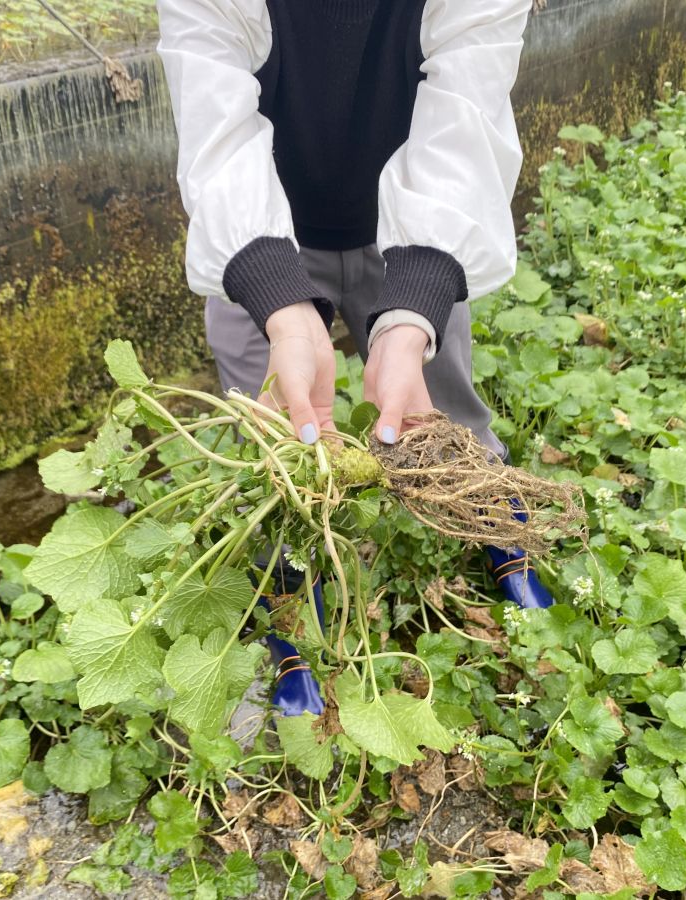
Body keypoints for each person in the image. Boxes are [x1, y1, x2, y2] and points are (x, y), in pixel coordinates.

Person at [156, 0, 553, 715]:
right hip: (262, 226)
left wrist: (414, 306)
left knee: (439, 395)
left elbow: (467, 102)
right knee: (273, 430)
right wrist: (274, 293)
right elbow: (212, 101)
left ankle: (485, 512)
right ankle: (288, 596)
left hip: (408, 222)